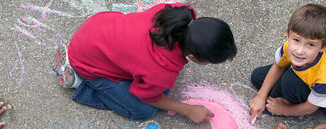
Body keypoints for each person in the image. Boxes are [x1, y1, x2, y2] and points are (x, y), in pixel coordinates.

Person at [54, 3, 237, 122]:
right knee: (144, 110)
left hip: (96, 28)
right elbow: (147, 96)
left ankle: (80, 58)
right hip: (87, 62)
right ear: (194, 57)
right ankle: (79, 82)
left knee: (161, 87)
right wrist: (187, 110)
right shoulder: (160, 70)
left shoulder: (181, 12)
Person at [249, 4, 326, 123]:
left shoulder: (325, 78)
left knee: (287, 84)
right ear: (288, 34)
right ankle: (286, 91)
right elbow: (278, 66)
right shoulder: (290, 48)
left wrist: (283, 109)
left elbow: (310, 108)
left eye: (310, 44)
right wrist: (261, 96)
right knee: (257, 77)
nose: (299, 50)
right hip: (305, 70)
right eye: (296, 40)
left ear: (324, 47)